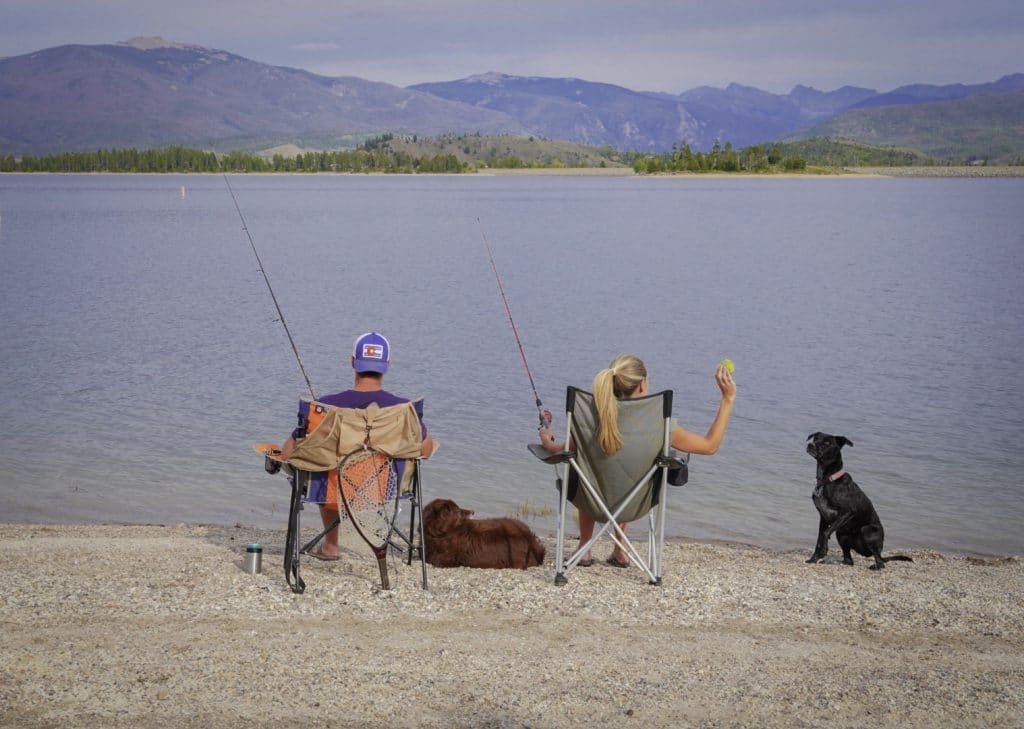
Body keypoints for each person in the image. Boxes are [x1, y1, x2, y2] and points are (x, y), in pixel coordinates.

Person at [538, 353, 736, 567]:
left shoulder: (591, 419)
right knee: (631, 473)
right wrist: (727, 399)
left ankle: (585, 548)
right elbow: (709, 446)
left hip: (591, 502)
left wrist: (547, 440)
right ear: (642, 385)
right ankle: (620, 549)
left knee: (586, 471)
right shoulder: (660, 424)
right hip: (635, 506)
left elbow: (557, 450)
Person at [280, 331, 435, 560]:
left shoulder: (327, 406)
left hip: (334, 487)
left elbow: (288, 453)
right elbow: (425, 451)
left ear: (353, 362)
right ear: (387, 364)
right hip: (386, 488)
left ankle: (331, 546)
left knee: (324, 465)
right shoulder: (403, 410)